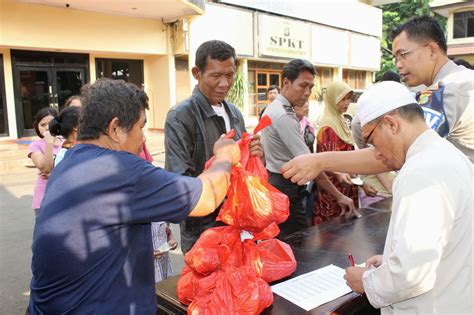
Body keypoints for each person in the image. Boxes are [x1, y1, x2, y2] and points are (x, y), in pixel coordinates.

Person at [28, 78, 241, 314]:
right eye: (141, 127)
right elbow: (207, 198)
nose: (143, 138)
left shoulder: (70, 161)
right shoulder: (119, 170)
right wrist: (224, 157)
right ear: (115, 129)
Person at [281, 15, 473, 186]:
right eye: (395, 57)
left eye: (403, 55)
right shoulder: (441, 86)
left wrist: (320, 161)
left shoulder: (453, 89)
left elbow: (399, 149)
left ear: (432, 49)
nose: (398, 64)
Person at [343, 81, 473, 314]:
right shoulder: (448, 155)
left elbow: (411, 275)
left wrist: (366, 281)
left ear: (391, 124)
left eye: (372, 141)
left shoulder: (420, 171)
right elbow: (442, 245)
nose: (377, 154)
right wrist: (392, 261)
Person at [164, 40, 263, 254]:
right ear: (197, 73)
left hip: (239, 224)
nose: (224, 84)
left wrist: (253, 155)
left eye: (229, 75)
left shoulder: (234, 112)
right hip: (204, 233)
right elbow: (179, 183)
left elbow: (243, 169)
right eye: (216, 76)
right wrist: (221, 161)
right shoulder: (181, 116)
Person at [261, 59, 355, 237]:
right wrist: (339, 196)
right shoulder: (283, 116)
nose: (307, 93)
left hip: (280, 184)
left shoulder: (276, 108)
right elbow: (312, 165)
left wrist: (336, 173)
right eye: (303, 86)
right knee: (294, 246)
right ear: (286, 83)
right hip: (286, 189)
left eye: (310, 87)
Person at [313, 81, 360, 224]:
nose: (347, 103)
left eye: (349, 99)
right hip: (333, 194)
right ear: (333, 99)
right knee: (333, 238)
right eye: (343, 99)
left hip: (347, 188)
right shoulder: (328, 128)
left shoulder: (340, 121)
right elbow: (326, 164)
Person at [27, 107, 62, 216]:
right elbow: (45, 168)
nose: (47, 128)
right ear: (37, 127)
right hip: (43, 199)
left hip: (64, 197)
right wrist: (49, 144)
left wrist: (55, 174)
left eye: (51, 123)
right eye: (42, 125)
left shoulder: (67, 142)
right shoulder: (35, 146)